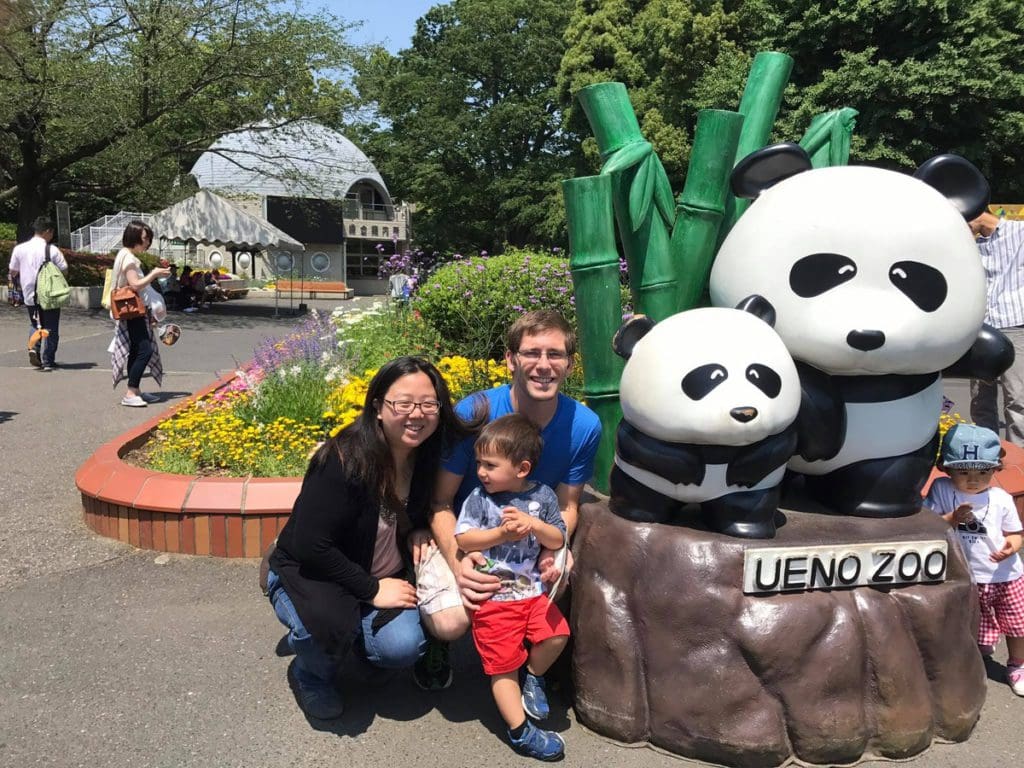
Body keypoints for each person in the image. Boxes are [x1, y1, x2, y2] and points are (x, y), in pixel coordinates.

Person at [266, 357, 479, 720]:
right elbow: (311, 545)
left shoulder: (426, 456)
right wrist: (371, 589)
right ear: (379, 407)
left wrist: (418, 529)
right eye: (403, 403)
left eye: (428, 404)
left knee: (401, 647)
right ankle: (311, 674)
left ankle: (356, 648)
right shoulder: (343, 459)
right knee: (322, 628)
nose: (417, 413)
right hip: (314, 571)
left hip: (379, 572)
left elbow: (417, 511)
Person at [423, 309, 602, 690]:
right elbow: (439, 502)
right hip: (467, 535)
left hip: (528, 533)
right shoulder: (475, 412)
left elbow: (568, 506)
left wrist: (551, 548)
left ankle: (533, 663)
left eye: (555, 355)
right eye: (531, 353)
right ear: (510, 360)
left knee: (563, 571)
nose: (543, 365)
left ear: (570, 364)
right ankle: (434, 641)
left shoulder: (584, 426)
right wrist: (459, 563)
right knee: (452, 619)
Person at [455, 414, 570, 760]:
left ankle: (534, 676)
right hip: (494, 596)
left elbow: (558, 535)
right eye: (479, 463)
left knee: (557, 635)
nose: (481, 472)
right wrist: (500, 534)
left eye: (490, 465)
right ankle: (520, 731)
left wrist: (534, 525)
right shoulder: (479, 498)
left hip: (533, 592)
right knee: (502, 667)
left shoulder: (543, 496)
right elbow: (464, 537)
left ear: (521, 468)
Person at [923, 423, 1024, 696]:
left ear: (995, 469)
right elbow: (929, 525)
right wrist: (951, 519)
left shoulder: (1000, 498)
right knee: (970, 622)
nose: (973, 479)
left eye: (983, 472)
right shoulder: (942, 490)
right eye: (963, 471)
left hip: (1005, 575)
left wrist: (1010, 547)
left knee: (1017, 624)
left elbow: (1016, 533)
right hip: (966, 574)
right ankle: (976, 657)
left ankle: (1018, 664)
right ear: (946, 468)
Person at [969, 211, 1024, 445]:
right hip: (980, 330)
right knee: (981, 399)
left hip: (1015, 326)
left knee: (1018, 398)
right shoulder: (967, 246)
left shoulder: (1018, 232)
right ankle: (987, 453)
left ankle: (1018, 457)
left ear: (976, 215)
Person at [110, 221, 170, 407]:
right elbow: (135, 284)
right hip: (132, 310)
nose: (147, 243)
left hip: (132, 310)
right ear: (134, 237)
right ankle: (130, 392)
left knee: (137, 350)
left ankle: (134, 390)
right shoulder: (128, 258)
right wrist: (154, 274)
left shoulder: (125, 254)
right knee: (145, 350)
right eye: (145, 238)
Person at [8, 216, 68, 371]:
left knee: (35, 323)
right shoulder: (52, 250)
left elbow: (13, 271)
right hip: (50, 294)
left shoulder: (20, 249)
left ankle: (34, 349)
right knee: (50, 327)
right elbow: (64, 269)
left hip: (29, 294)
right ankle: (48, 360)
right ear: (47, 231)